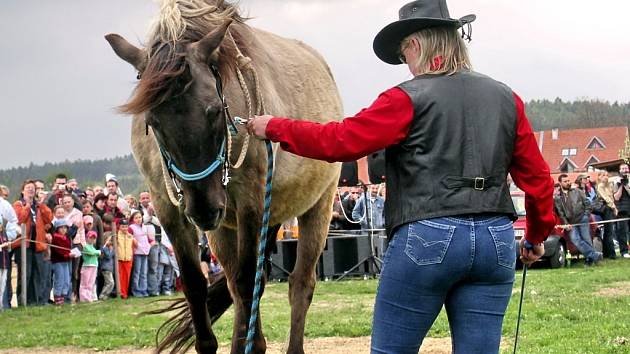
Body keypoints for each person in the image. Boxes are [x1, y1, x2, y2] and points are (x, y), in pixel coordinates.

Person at [246, 1, 555, 352]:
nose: (405, 63)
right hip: (495, 242)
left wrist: (274, 126)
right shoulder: (507, 98)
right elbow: (539, 179)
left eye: (403, 52)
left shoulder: (406, 99)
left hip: (428, 234)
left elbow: (340, 141)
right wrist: (535, 237)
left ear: (417, 46)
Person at [12, 180, 54, 306]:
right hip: (24, 245)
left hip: (37, 245)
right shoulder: (18, 204)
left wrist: (41, 204)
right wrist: (28, 206)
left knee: (37, 274)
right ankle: (23, 301)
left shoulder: (39, 206)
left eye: (33, 188)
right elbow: (20, 219)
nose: (31, 190)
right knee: (25, 274)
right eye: (28, 187)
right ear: (22, 190)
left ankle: (35, 301)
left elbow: (49, 218)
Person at [555, 174, 602, 266]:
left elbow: (588, 204)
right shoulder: (557, 197)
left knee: (586, 239)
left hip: (582, 218)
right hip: (571, 222)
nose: (568, 182)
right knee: (575, 240)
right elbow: (561, 213)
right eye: (565, 181)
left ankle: (589, 260)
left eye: (568, 180)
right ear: (560, 183)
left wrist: (586, 216)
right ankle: (595, 255)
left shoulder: (578, 191)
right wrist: (566, 223)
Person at [0, 191, 19, 309]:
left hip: (2, 253)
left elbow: (13, 222)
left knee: (3, 278)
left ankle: (1, 305)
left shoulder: (4, 204)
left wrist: (9, 237)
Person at [129, 211, 153, 297]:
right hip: (137, 252)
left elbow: (147, 238)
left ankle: (144, 290)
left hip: (145, 251)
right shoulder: (131, 227)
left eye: (139, 217)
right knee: (137, 272)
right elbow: (130, 237)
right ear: (133, 219)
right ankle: (136, 290)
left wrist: (150, 243)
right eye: (136, 218)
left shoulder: (144, 227)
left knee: (143, 272)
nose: (138, 219)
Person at [50, 219, 72, 305]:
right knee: (59, 279)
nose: (63, 229)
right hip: (58, 261)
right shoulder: (55, 238)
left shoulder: (66, 238)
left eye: (65, 228)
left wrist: (71, 253)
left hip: (65, 261)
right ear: (57, 229)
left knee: (66, 279)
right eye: (61, 228)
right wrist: (66, 255)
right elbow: (57, 250)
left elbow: (68, 249)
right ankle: (57, 297)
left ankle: (62, 297)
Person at [596, 170, 617, 259]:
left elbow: (612, 196)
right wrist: (614, 207)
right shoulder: (600, 186)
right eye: (603, 175)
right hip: (607, 208)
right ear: (599, 177)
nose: (606, 177)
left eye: (607, 175)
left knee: (608, 232)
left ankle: (607, 253)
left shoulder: (610, 185)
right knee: (609, 232)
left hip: (610, 208)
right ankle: (611, 254)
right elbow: (606, 198)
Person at [613, 163, 630, 258]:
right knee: (622, 231)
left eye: (626, 168)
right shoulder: (616, 181)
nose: (625, 170)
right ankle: (624, 251)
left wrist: (627, 185)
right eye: (623, 169)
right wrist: (621, 186)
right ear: (619, 171)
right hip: (622, 209)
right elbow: (616, 197)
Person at [116, 219, 136, 299]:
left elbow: (135, 245)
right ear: (119, 227)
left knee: (127, 277)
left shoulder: (130, 236)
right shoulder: (116, 235)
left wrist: (133, 239)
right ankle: (120, 292)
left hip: (128, 258)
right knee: (120, 277)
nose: (124, 228)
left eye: (126, 227)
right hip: (120, 259)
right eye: (122, 226)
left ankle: (125, 293)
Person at [79, 231, 100, 302]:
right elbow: (91, 253)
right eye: (90, 238)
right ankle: (83, 298)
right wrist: (98, 252)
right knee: (85, 283)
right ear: (87, 238)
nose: (92, 239)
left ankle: (89, 297)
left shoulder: (93, 247)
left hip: (94, 266)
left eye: (94, 238)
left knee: (91, 283)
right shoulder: (85, 246)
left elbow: (94, 253)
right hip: (87, 266)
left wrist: (97, 252)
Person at [99, 234, 115, 301]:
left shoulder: (107, 248)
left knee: (107, 283)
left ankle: (104, 296)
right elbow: (108, 256)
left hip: (109, 268)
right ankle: (103, 295)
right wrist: (112, 250)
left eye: (111, 241)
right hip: (106, 268)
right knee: (111, 283)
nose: (110, 242)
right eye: (109, 240)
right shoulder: (104, 248)